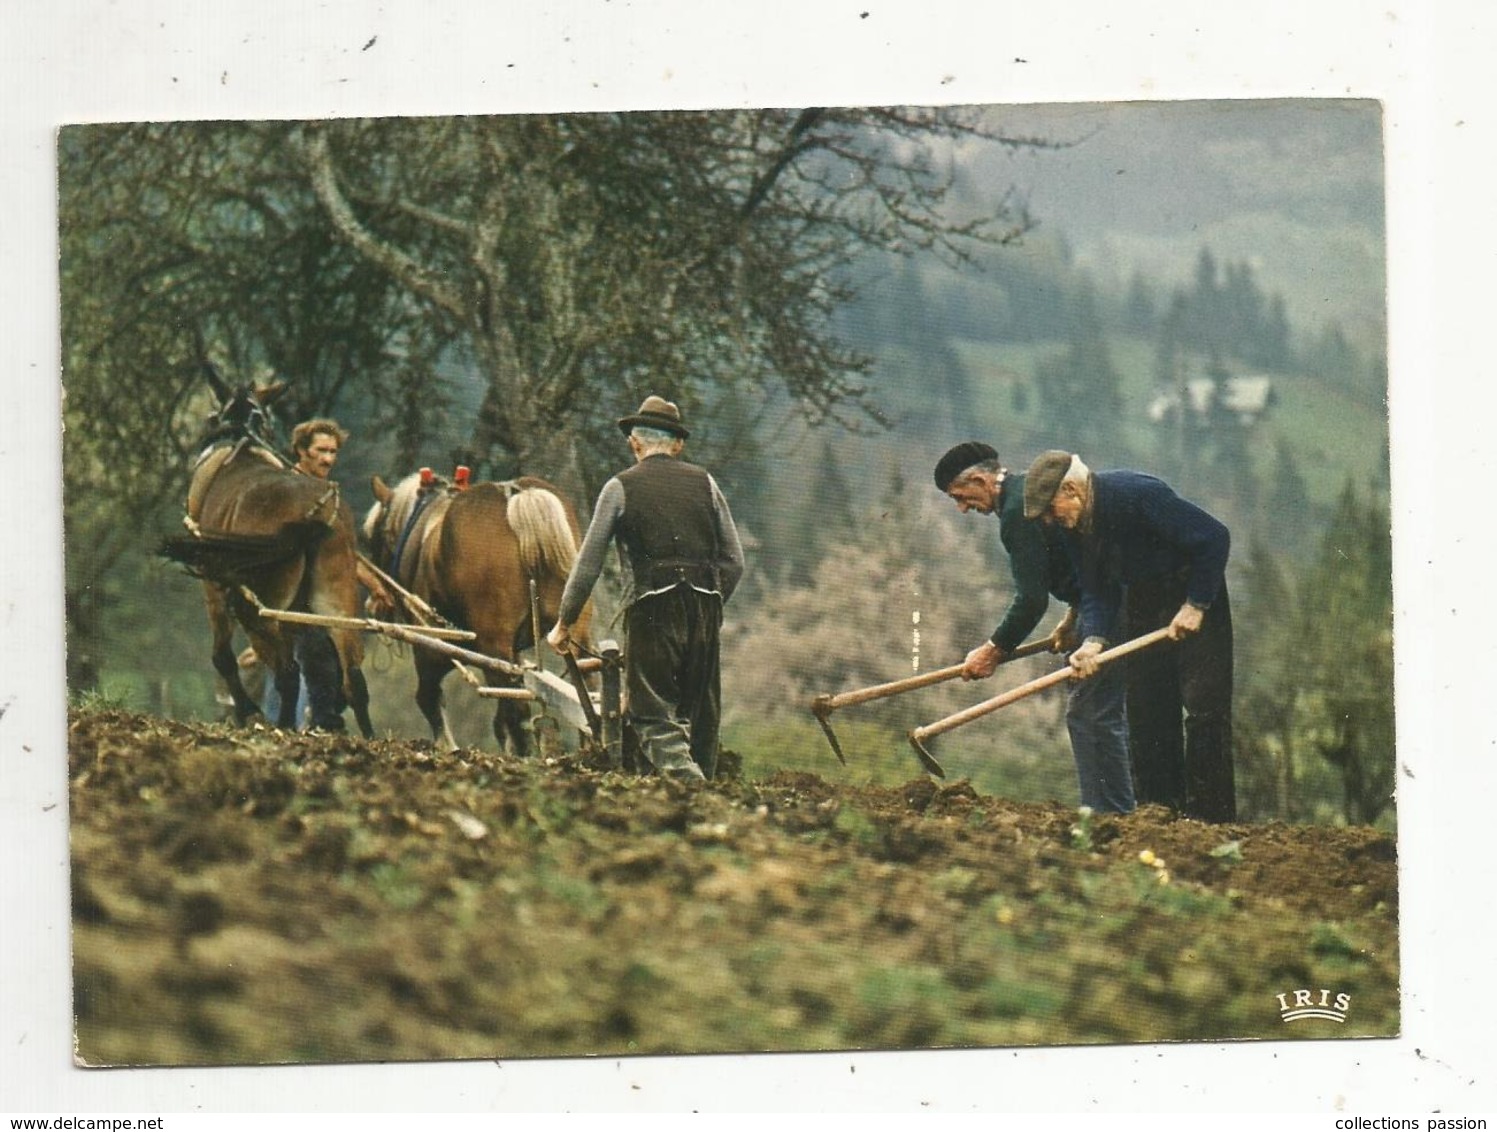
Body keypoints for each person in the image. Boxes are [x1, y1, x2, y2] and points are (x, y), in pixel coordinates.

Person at [1024, 450, 1236, 822]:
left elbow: (1214, 538)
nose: (1048, 519)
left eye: (1050, 508)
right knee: (1148, 714)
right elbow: (1096, 589)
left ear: (1072, 489)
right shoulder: (1072, 527)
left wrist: (1196, 604)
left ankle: (1212, 823)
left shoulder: (1136, 495)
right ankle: (1159, 819)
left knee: (1204, 711)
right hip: (1141, 600)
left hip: (1193, 591)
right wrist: (1094, 640)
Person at [547, 396, 745, 781]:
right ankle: (708, 792)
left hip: (652, 608)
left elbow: (587, 564)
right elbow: (735, 561)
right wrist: (710, 599)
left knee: (649, 711)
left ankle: (690, 785)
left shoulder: (619, 487)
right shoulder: (706, 483)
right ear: (677, 444)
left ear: (634, 444)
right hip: (706, 606)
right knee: (702, 713)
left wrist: (564, 622)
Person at [934, 442, 1136, 814]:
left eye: (961, 498)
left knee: (1090, 713)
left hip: (1109, 605)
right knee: (1098, 710)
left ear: (980, 480)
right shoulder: (1027, 490)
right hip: (1102, 599)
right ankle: (1113, 811)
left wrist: (992, 651)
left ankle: (1111, 817)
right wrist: (1072, 618)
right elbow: (1077, 560)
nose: (963, 509)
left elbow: (1031, 600)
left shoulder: (1015, 513)